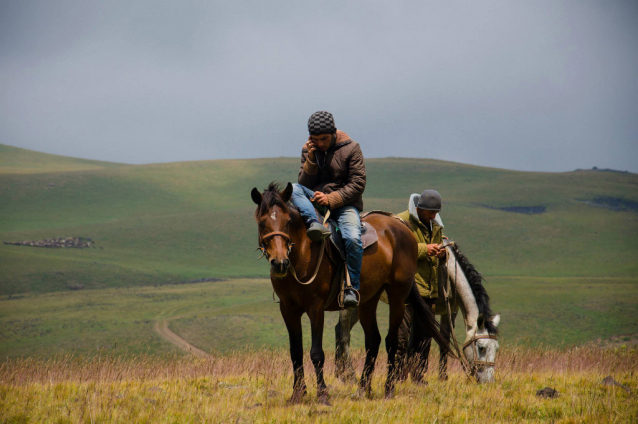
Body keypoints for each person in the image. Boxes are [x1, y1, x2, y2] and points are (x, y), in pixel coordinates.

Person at [291, 111, 366, 308]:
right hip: (315, 202)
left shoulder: (352, 148)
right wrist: (312, 159)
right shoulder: (309, 149)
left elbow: (358, 184)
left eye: (324, 139)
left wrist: (330, 198)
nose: (321, 143)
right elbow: (304, 182)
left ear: (333, 133)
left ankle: (352, 288)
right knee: (294, 188)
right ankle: (314, 223)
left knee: (352, 238)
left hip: (344, 205)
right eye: (316, 139)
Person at [395, 189, 446, 382]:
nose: (434, 216)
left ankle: (418, 375)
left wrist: (443, 254)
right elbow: (398, 249)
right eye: (430, 213)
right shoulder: (401, 221)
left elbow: (439, 248)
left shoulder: (436, 226)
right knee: (402, 334)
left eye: (435, 213)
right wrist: (426, 249)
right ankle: (398, 374)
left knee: (425, 337)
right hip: (408, 287)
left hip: (429, 288)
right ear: (419, 209)